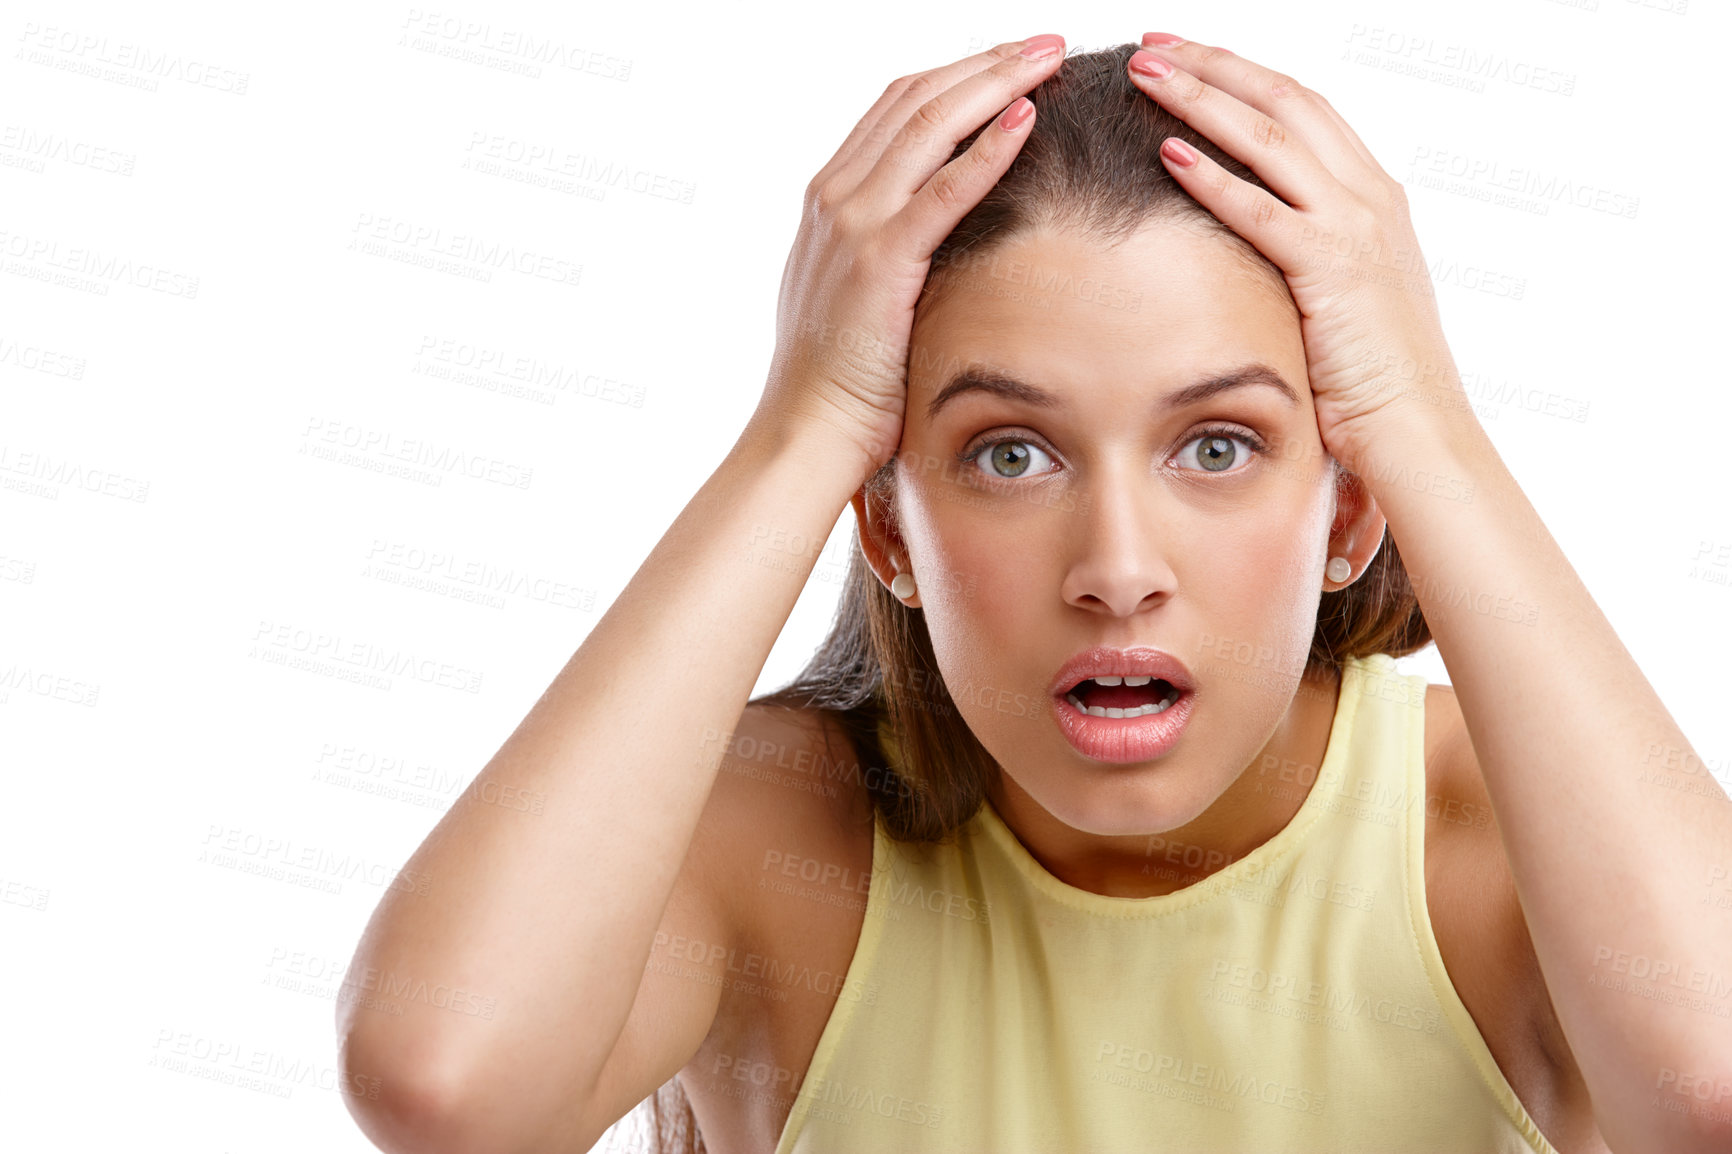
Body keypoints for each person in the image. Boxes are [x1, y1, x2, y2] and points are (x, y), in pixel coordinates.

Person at [335, 35, 1732, 1154]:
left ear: (1350, 510)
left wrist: (1426, 427)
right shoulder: (766, 841)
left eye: (1218, 445)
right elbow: (447, 1085)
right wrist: (804, 426)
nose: (1117, 567)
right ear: (887, 526)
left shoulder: (1497, 837)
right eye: (1010, 453)